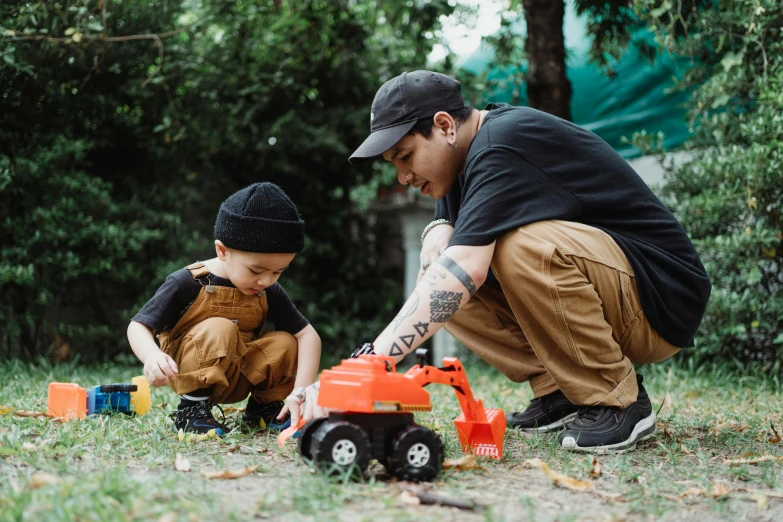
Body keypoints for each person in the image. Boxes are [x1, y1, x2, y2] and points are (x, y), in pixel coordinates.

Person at [302, 70, 711, 453]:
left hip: (659, 298)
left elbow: (466, 268)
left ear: (445, 126)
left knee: (516, 249)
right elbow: (449, 258)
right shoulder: (460, 160)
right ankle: (561, 389)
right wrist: (437, 227)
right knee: (440, 274)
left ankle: (616, 401)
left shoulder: (503, 142)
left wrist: (370, 363)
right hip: (617, 291)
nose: (403, 177)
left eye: (405, 156)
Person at [127, 182, 321, 436]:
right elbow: (138, 326)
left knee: (286, 341)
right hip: (189, 371)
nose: (266, 281)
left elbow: (309, 336)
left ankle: (264, 409)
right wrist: (152, 356)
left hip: (239, 375)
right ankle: (191, 412)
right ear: (222, 250)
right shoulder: (186, 282)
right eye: (256, 270)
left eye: (278, 272)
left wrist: (301, 392)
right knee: (220, 327)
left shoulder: (268, 290)